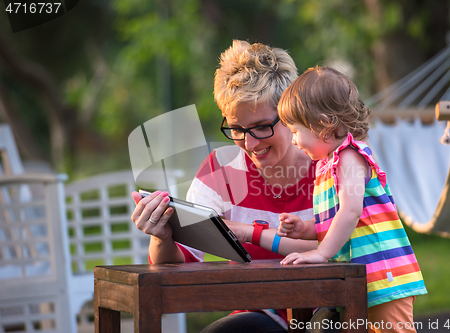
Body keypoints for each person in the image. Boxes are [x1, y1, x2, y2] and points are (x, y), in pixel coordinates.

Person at [130, 40, 320, 332]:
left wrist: (251, 232)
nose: (250, 144)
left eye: (260, 127)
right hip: (263, 314)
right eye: (237, 129)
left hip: (333, 307)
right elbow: (183, 264)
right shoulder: (221, 170)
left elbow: (352, 246)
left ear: (290, 114)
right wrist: (162, 237)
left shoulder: (329, 165)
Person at [276, 66, 428, 333]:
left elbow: (350, 212)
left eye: (296, 130)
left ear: (324, 126)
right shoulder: (328, 164)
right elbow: (337, 220)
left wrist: (321, 253)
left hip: (383, 278)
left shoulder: (350, 156)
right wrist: (305, 229)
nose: (294, 140)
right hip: (358, 280)